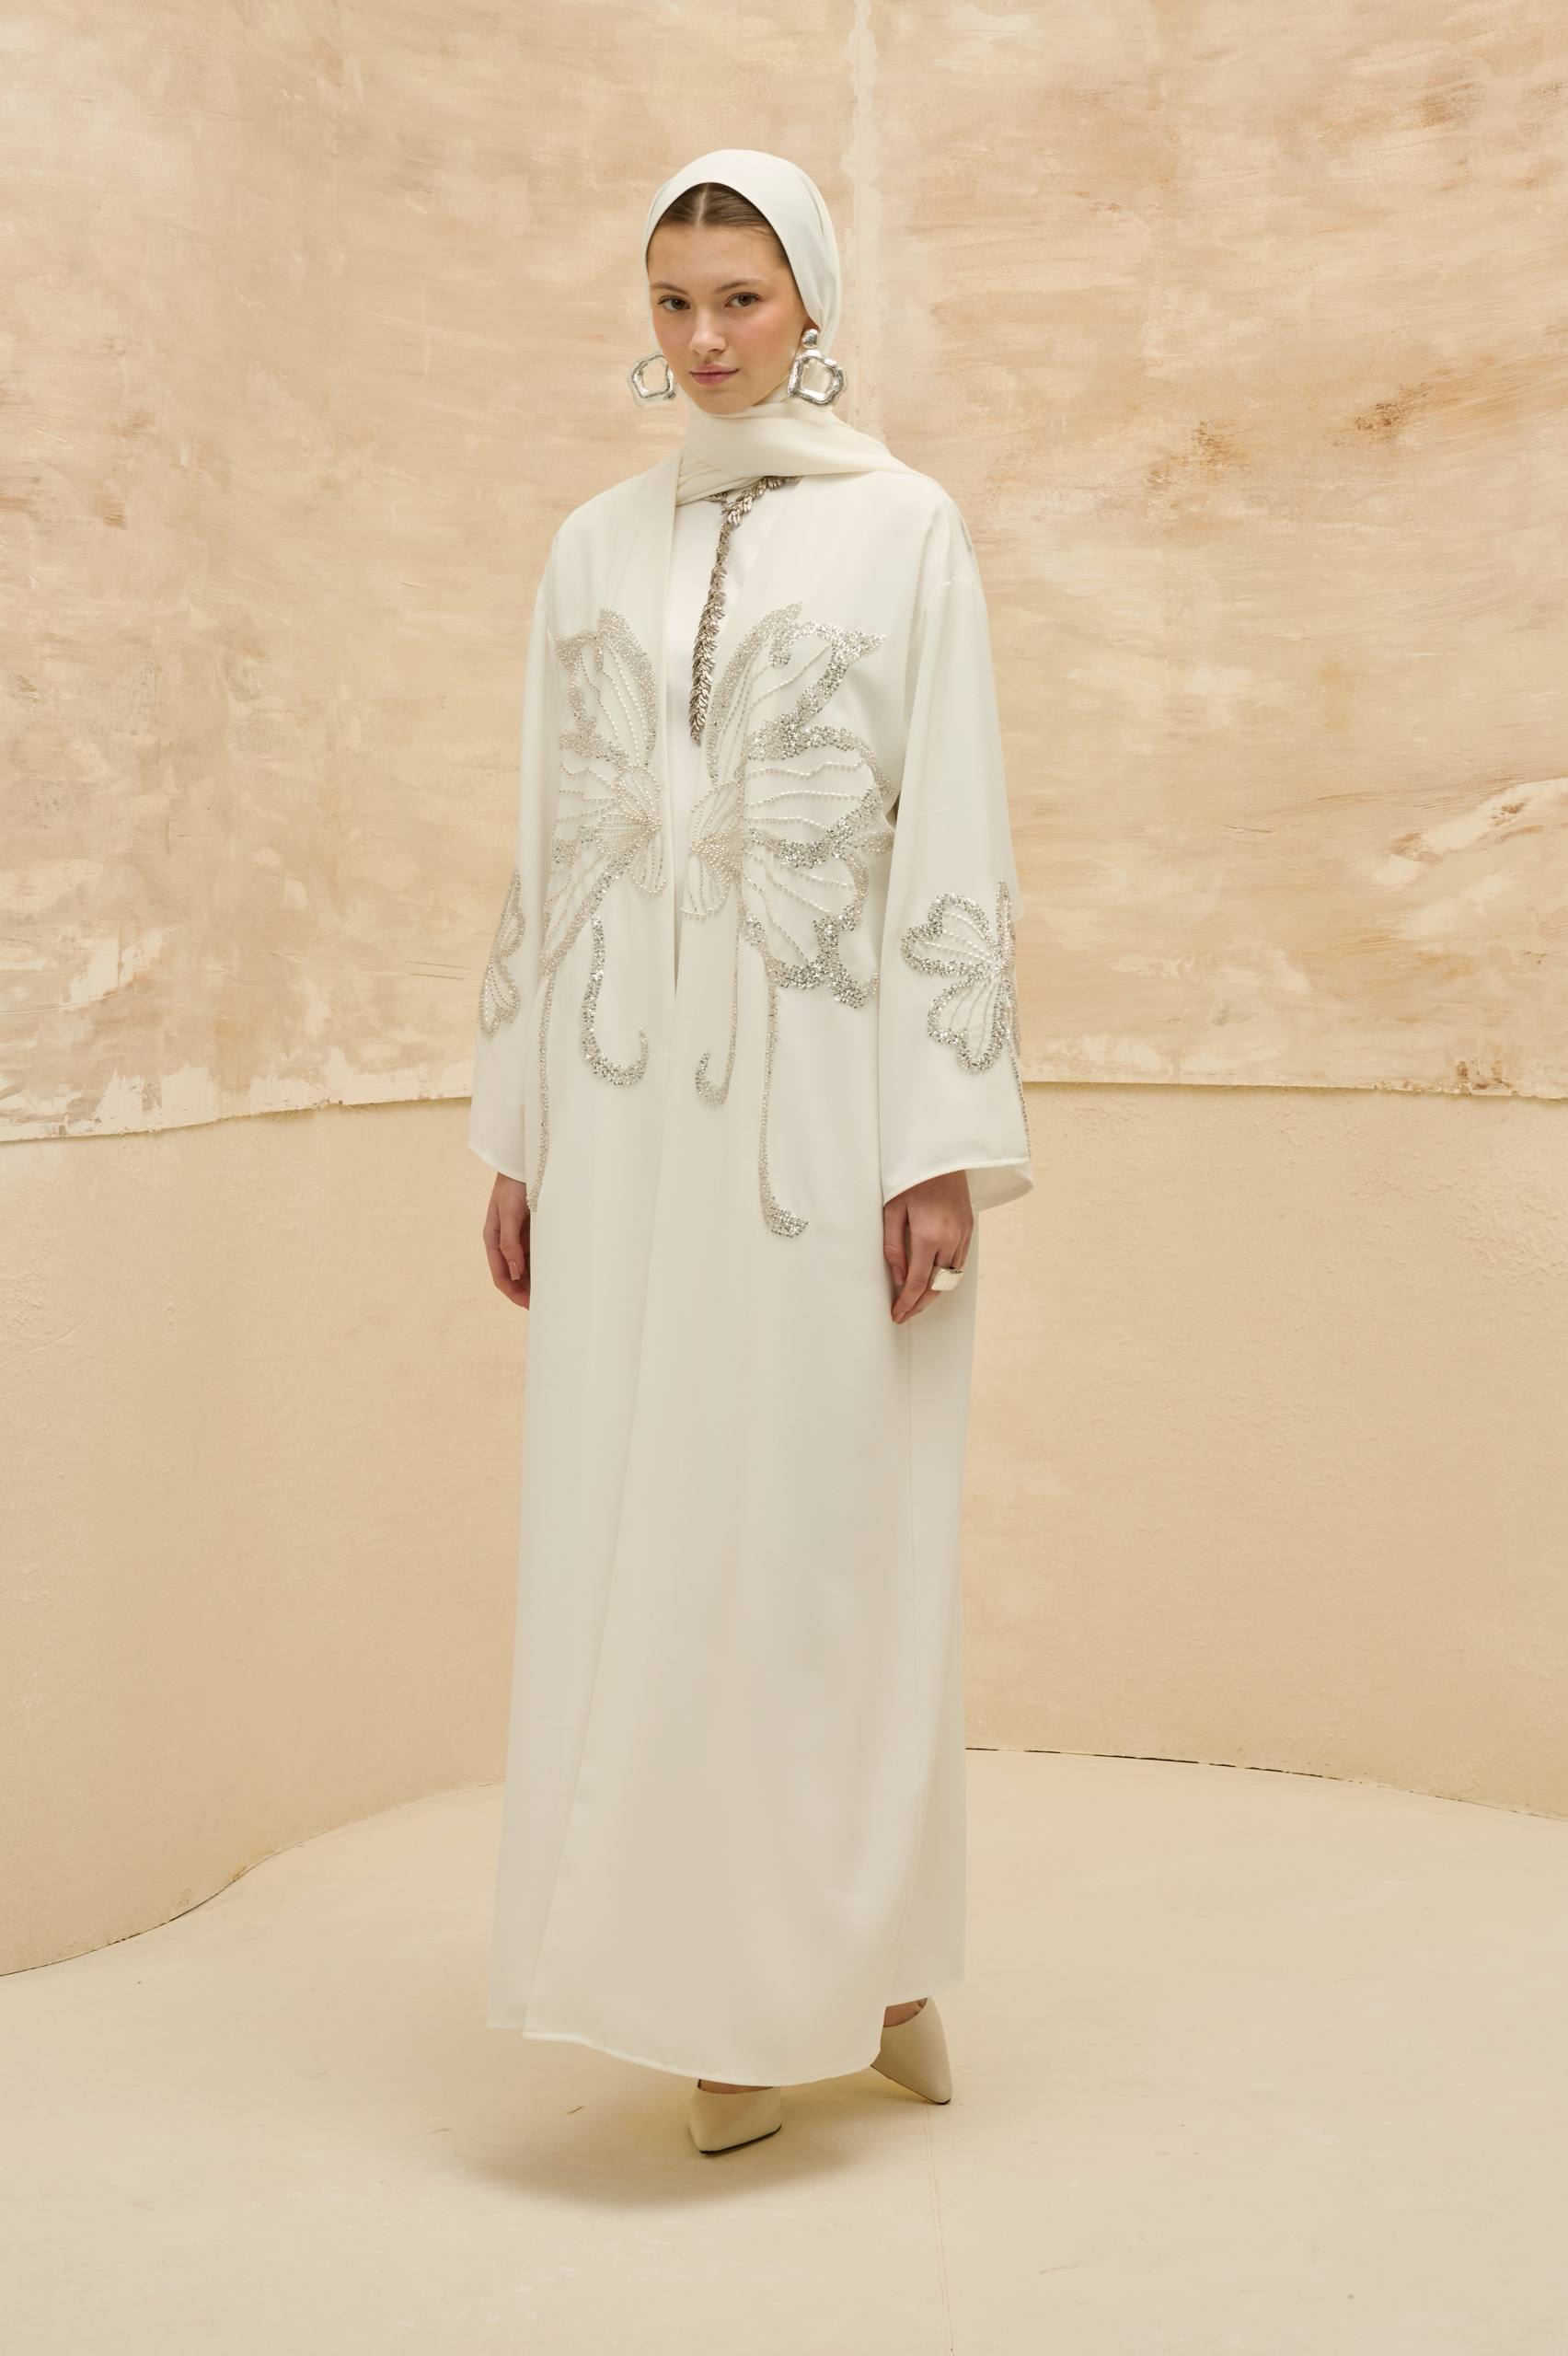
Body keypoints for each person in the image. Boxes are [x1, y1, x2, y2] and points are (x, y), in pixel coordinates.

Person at [468, 148, 1032, 2155]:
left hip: (824, 1108)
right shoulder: (591, 545)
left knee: (821, 1539)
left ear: (812, 306)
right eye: (674, 300)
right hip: (625, 1112)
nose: (705, 339)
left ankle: (870, 1957)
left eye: (744, 298)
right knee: (649, 1524)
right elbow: (548, 847)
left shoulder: (906, 530)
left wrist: (937, 1143)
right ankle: (707, 1986)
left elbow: (949, 829)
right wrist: (522, 1129)